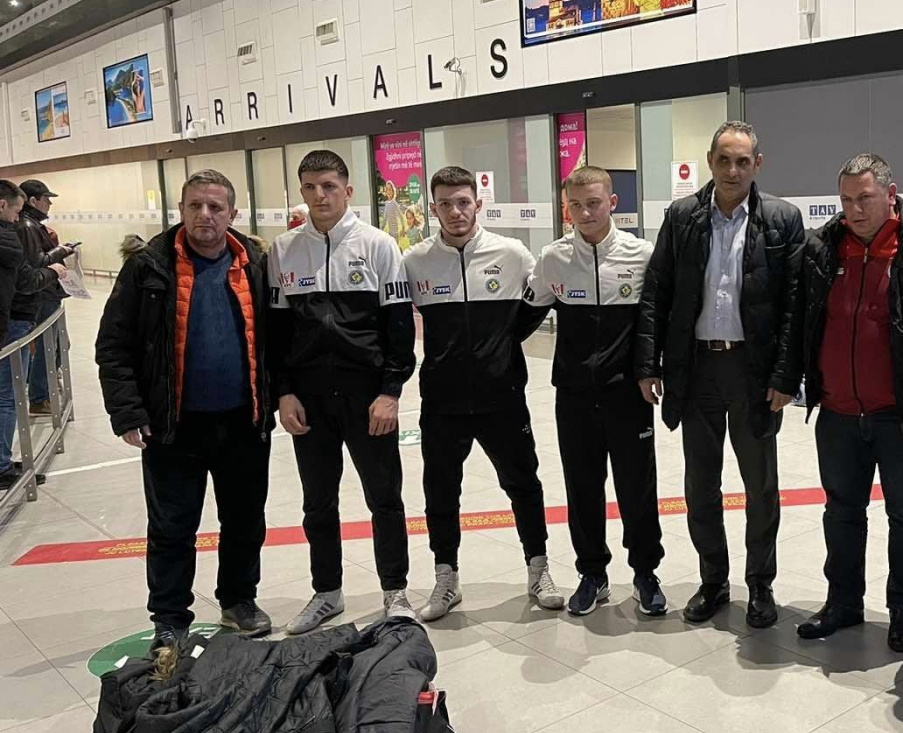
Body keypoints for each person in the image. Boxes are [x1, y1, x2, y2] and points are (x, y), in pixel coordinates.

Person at [795, 155, 903, 652]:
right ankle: (843, 601)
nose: (854, 209)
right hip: (838, 413)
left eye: (865, 198)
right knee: (841, 512)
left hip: (902, 414)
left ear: (891, 194)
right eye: (846, 199)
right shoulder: (822, 247)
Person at [95, 170, 274, 650]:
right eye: (195, 206)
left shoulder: (255, 262)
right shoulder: (148, 267)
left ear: (233, 214)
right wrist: (128, 412)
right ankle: (170, 617)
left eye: (216, 207)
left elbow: (276, 338)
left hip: (244, 421)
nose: (205, 216)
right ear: (181, 210)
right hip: (173, 426)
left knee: (245, 520)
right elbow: (113, 344)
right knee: (172, 527)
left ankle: (239, 600)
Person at [635, 120, 804, 628]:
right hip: (697, 370)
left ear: (758, 164)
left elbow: (795, 304)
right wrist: (648, 364)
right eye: (724, 160)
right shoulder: (682, 216)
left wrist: (785, 376)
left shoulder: (782, 219)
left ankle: (761, 584)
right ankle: (713, 581)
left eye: (743, 161)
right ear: (710, 161)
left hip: (753, 373)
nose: (733, 170)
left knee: (761, 487)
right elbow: (657, 291)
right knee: (700, 485)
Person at [402, 166, 563, 620]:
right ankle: (446, 577)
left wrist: (508, 342)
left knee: (524, 484)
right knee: (440, 491)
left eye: (463, 202)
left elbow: (541, 298)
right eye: (445, 204)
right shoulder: (415, 260)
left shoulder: (511, 254)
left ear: (478, 203)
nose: (455, 211)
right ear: (432, 209)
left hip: (502, 397)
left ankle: (538, 568)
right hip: (442, 401)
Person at [268, 150, 417, 634]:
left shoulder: (378, 245)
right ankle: (327, 592)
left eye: (329, 186)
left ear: (347, 191)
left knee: (384, 498)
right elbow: (277, 333)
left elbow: (399, 327)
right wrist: (284, 392)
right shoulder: (283, 250)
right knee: (317, 502)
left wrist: (390, 391)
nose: (320, 196)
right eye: (310, 188)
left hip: (367, 397)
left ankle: (394, 590)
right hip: (309, 400)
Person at [527, 166, 666, 617]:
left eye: (594, 203)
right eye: (576, 205)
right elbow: (525, 315)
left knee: (637, 486)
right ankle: (592, 574)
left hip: (629, 395)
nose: (585, 213)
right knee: (582, 487)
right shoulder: (553, 258)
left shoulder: (641, 254)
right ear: (566, 208)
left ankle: (645, 573)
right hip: (573, 395)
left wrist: (652, 370)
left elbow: (655, 322)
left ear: (613, 203)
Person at [0, 181, 66, 491]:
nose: (17, 217)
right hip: (13, 319)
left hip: (12, 318)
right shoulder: (13, 236)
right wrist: (55, 269)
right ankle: (2, 465)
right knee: (7, 395)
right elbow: (26, 278)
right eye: (15, 210)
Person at [17, 180, 65, 415]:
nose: (49, 204)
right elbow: (37, 262)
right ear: (33, 200)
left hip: (44, 292)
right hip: (42, 294)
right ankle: (39, 397)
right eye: (46, 199)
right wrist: (60, 252)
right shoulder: (28, 226)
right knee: (47, 346)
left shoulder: (30, 224)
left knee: (52, 345)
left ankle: (39, 393)